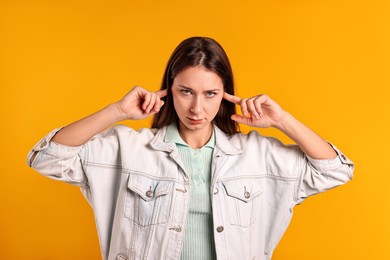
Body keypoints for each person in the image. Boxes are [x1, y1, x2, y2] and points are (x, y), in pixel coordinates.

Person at [27, 36, 354, 260]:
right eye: (186, 91)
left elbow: (336, 170)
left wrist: (283, 120)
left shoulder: (256, 156)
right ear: (169, 89)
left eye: (210, 94)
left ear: (226, 93)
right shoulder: (129, 150)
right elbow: (46, 158)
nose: (197, 108)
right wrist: (117, 112)